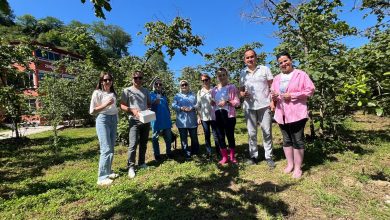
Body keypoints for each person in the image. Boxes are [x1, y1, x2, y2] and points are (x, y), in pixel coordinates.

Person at [271, 51, 315, 178]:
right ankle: (290, 165)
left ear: (291, 60)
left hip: (297, 113)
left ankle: (297, 168)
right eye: (281, 63)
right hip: (282, 114)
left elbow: (310, 90)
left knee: (297, 140)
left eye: (285, 60)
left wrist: (293, 95)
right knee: (286, 140)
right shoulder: (277, 78)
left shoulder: (301, 75)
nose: (284, 64)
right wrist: (273, 96)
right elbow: (273, 92)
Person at [239, 48, 275, 168]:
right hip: (249, 107)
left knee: (267, 131)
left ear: (256, 57)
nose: (250, 59)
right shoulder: (243, 73)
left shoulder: (264, 69)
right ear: (244, 60)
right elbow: (241, 90)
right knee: (252, 133)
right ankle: (254, 156)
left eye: (252, 56)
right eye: (247, 57)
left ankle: (268, 156)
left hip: (264, 105)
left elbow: (272, 86)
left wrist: (272, 101)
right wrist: (242, 94)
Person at [89, 72, 119, 186]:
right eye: (105, 80)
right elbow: (92, 111)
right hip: (103, 120)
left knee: (111, 147)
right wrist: (106, 104)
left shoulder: (113, 93)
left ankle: (108, 171)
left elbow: (113, 108)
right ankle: (101, 178)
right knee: (105, 148)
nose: (108, 82)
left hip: (113, 120)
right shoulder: (97, 93)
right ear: (101, 81)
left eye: (110, 80)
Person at [120, 71, 151, 179]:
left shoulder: (145, 91)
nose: (138, 80)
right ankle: (131, 167)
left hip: (145, 119)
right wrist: (131, 110)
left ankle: (141, 163)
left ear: (142, 79)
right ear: (132, 79)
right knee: (133, 144)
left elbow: (148, 103)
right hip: (134, 121)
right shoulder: (127, 90)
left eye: (140, 78)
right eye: (135, 78)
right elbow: (122, 106)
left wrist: (147, 110)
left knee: (144, 143)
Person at [211, 68, 240, 164]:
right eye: (219, 75)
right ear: (217, 77)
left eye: (223, 75)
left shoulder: (231, 87)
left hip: (228, 115)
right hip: (217, 114)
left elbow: (237, 102)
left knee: (230, 135)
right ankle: (224, 157)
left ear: (227, 75)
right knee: (220, 136)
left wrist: (227, 101)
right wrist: (212, 102)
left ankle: (232, 157)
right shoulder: (214, 90)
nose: (222, 77)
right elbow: (213, 104)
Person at [172, 80, 199, 159]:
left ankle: (195, 151)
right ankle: (186, 153)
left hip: (192, 120)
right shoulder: (177, 96)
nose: (184, 86)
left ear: (188, 85)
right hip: (182, 121)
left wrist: (192, 108)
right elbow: (173, 105)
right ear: (180, 86)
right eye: (182, 85)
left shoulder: (193, 95)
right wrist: (180, 108)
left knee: (194, 137)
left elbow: (197, 105)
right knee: (183, 138)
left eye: (185, 84)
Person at [196, 73, 219, 158]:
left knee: (216, 134)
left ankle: (218, 151)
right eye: (203, 80)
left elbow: (219, 102)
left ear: (209, 80)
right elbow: (198, 105)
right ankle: (209, 152)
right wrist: (199, 117)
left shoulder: (215, 90)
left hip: (214, 116)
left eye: (206, 80)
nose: (204, 82)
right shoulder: (199, 92)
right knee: (207, 135)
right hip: (204, 117)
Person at [150, 78, 173, 161]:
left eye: (160, 84)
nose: (158, 86)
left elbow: (167, 107)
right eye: (156, 84)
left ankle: (169, 153)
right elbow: (149, 106)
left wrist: (170, 117)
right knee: (155, 138)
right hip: (156, 120)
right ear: (154, 85)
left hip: (166, 120)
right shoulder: (151, 94)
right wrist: (154, 102)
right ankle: (157, 155)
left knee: (168, 138)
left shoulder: (164, 96)